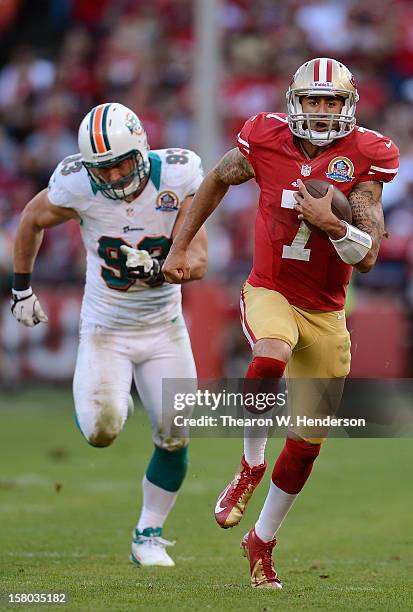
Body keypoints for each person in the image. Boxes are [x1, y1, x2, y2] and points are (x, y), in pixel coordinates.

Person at [163, 58, 399, 588]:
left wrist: (333, 222)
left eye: (330, 102)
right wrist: (180, 244)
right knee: (269, 352)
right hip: (270, 289)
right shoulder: (265, 137)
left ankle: (262, 540)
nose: (320, 110)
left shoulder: (367, 154)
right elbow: (217, 180)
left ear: (347, 107)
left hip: (327, 312)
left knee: (307, 443)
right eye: (312, 100)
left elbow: (366, 255)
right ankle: (250, 462)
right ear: (296, 102)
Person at [11, 102, 208, 568]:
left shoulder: (178, 176)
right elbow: (31, 219)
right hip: (106, 329)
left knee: (176, 434)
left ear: (142, 148)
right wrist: (22, 289)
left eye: (122, 161)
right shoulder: (76, 183)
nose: (116, 174)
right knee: (103, 430)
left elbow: (198, 260)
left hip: (164, 329)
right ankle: (90, 395)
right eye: (104, 166)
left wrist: (163, 267)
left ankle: (149, 533)